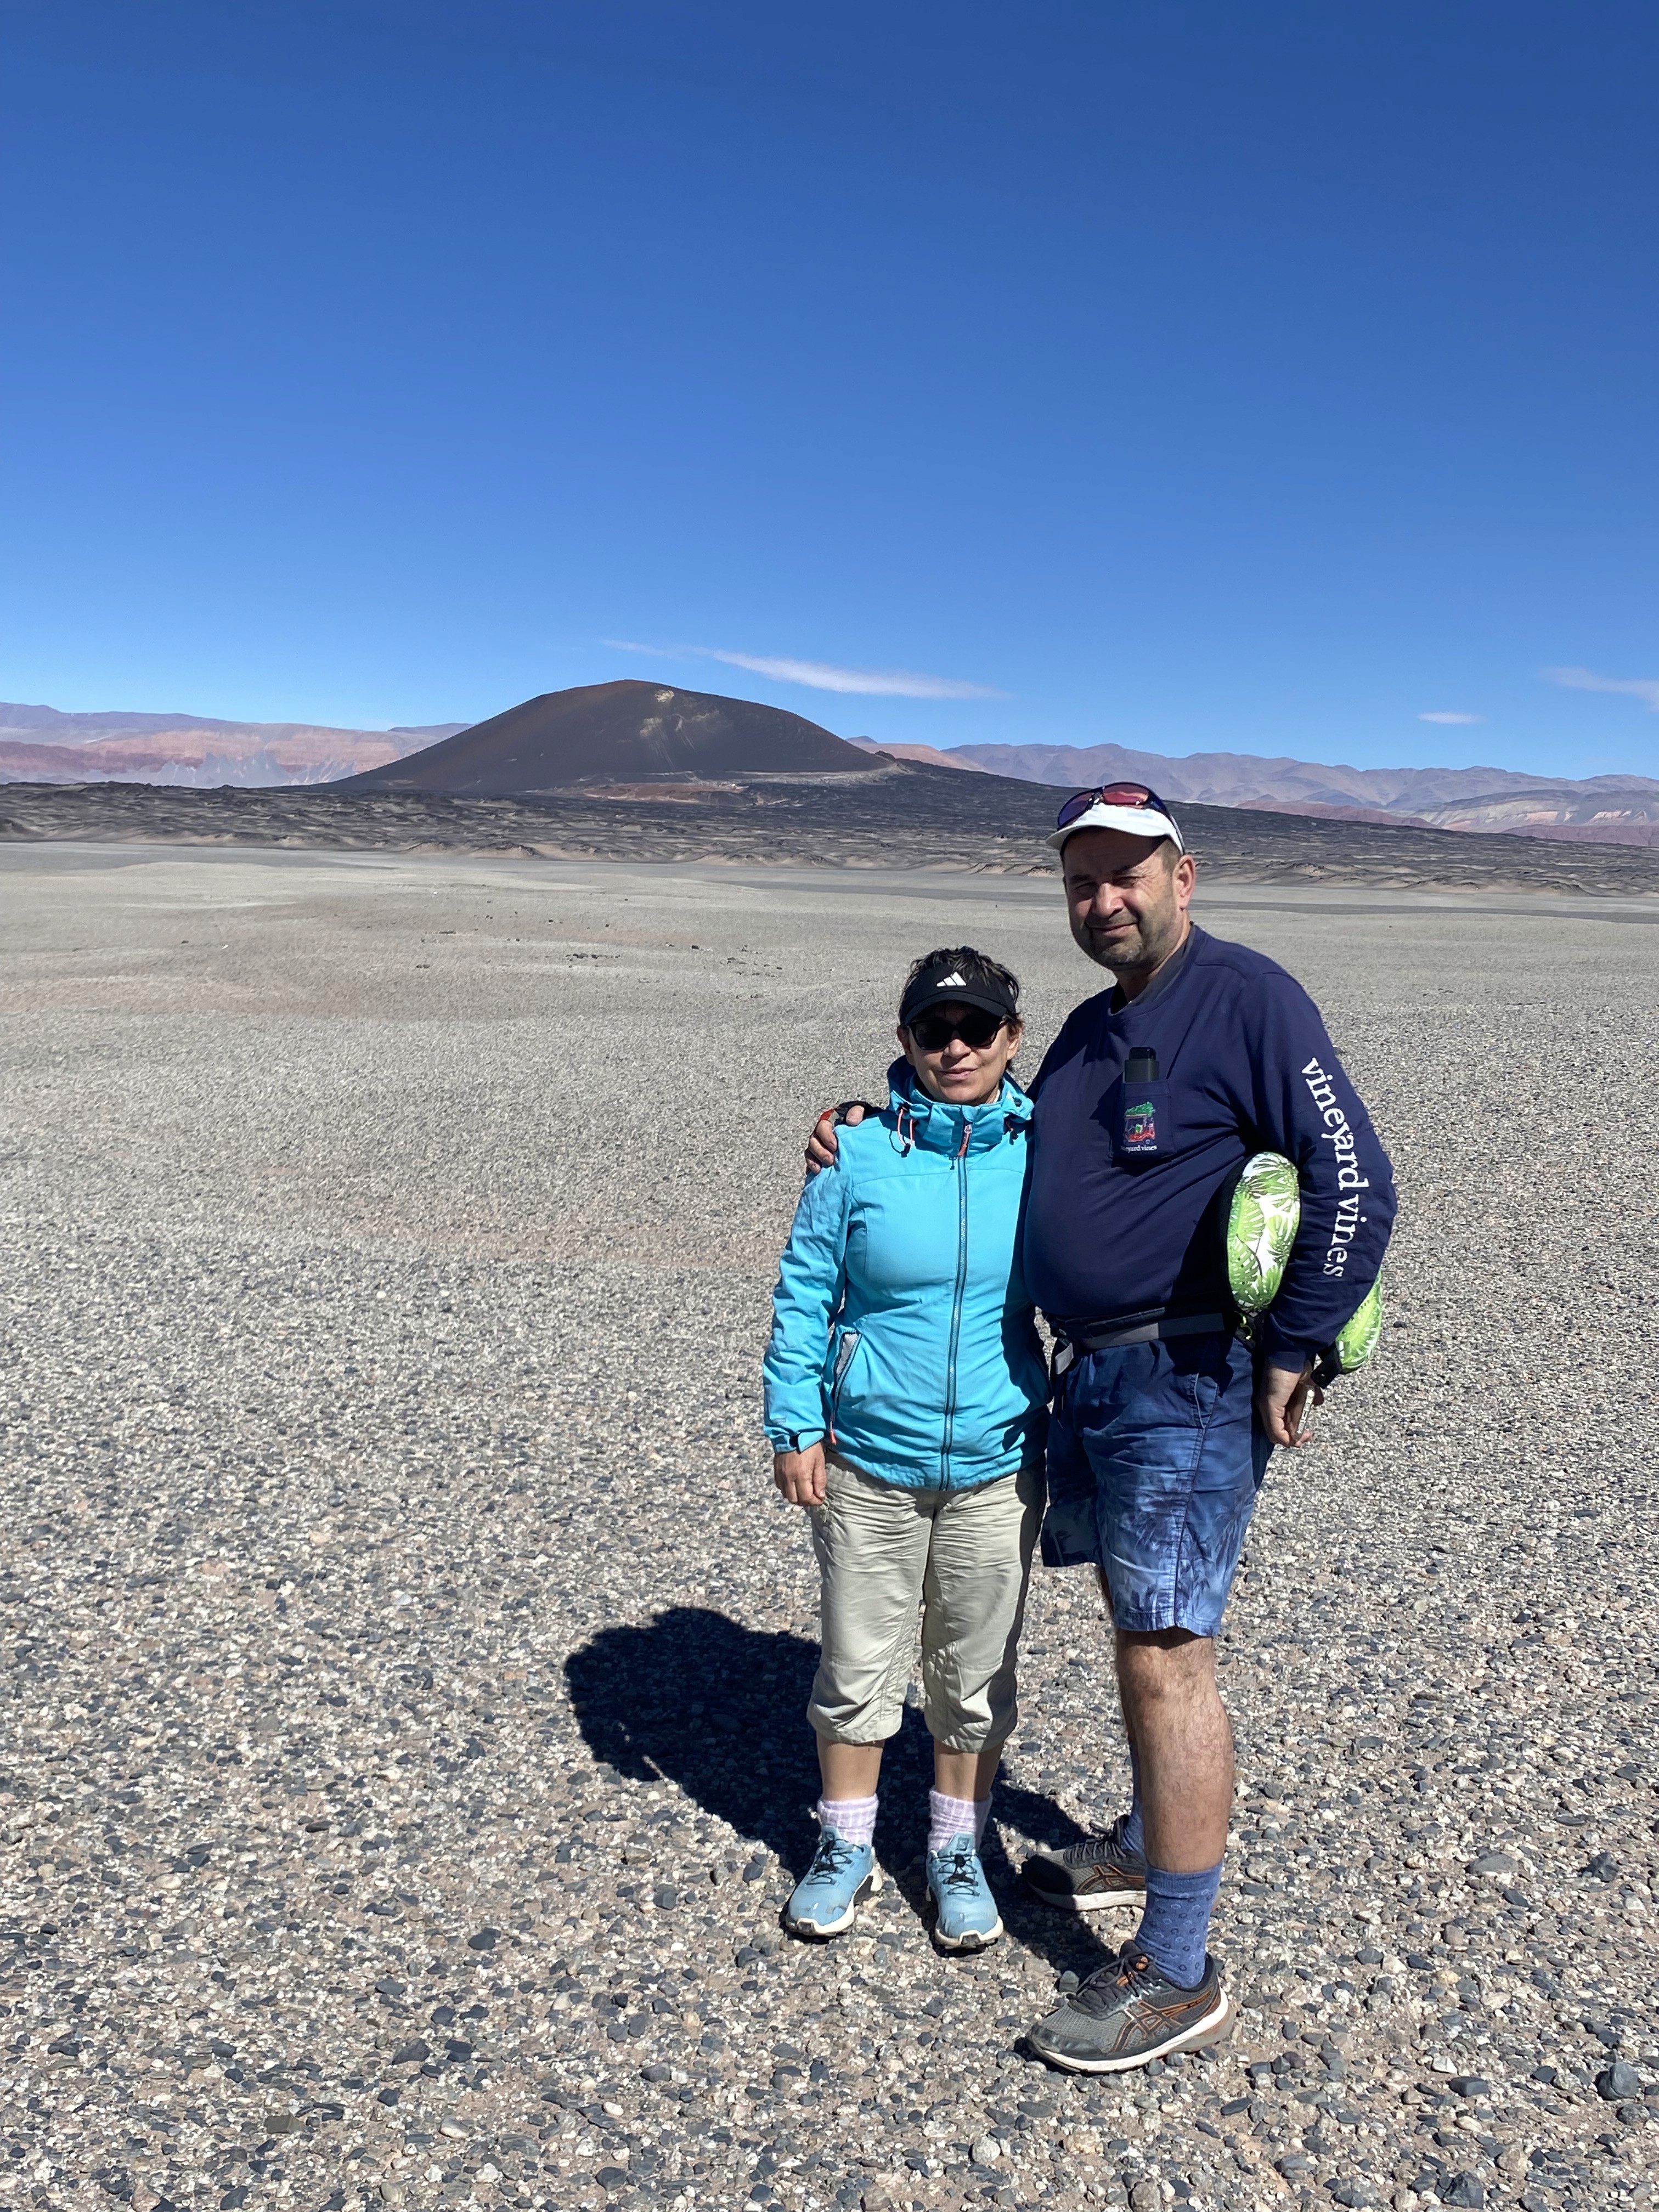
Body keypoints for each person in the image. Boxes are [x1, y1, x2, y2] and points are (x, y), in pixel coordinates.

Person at [806, 784, 1395, 2069]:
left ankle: (1178, 1969)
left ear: (1187, 876)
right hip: (1095, 1384)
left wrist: (1297, 1339)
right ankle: (1143, 1841)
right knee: (1136, 1625)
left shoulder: (1247, 998)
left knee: (1166, 1653)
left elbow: (1356, 1176)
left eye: (1128, 874)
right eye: (1082, 880)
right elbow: (989, 1123)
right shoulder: (1083, 1030)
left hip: (1184, 1381)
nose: (1104, 899)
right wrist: (867, 1120)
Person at [764, 947, 1049, 1953]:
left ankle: (953, 1848)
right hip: (869, 1459)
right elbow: (806, 1294)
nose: (957, 1047)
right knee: (855, 1664)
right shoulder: (859, 1156)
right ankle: (843, 1846)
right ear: (906, 1043)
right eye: (936, 1030)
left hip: (998, 1457)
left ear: (1014, 1041)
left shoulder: (1046, 1148)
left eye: (979, 1030)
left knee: (972, 1676)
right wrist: (794, 1421)